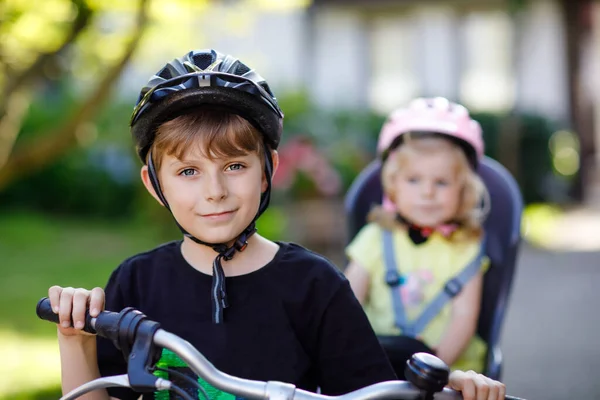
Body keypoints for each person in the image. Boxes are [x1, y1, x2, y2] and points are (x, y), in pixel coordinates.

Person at [47, 51, 505, 400]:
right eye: (188, 172)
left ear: (268, 170)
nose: (214, 191)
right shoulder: (136, 283)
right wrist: (75, 341)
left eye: (235, 166)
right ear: (154, 183)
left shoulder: (315, 286)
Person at [345, 97, 490, 378]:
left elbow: (463, 319)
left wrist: (433, 371)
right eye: (414, 180)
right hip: (379, 365)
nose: (427, 192)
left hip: (449, 372)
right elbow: (347, 301)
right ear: (393, 185)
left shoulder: (465, 247)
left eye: (442, 182)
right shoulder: (375, 238)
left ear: (463, 189)